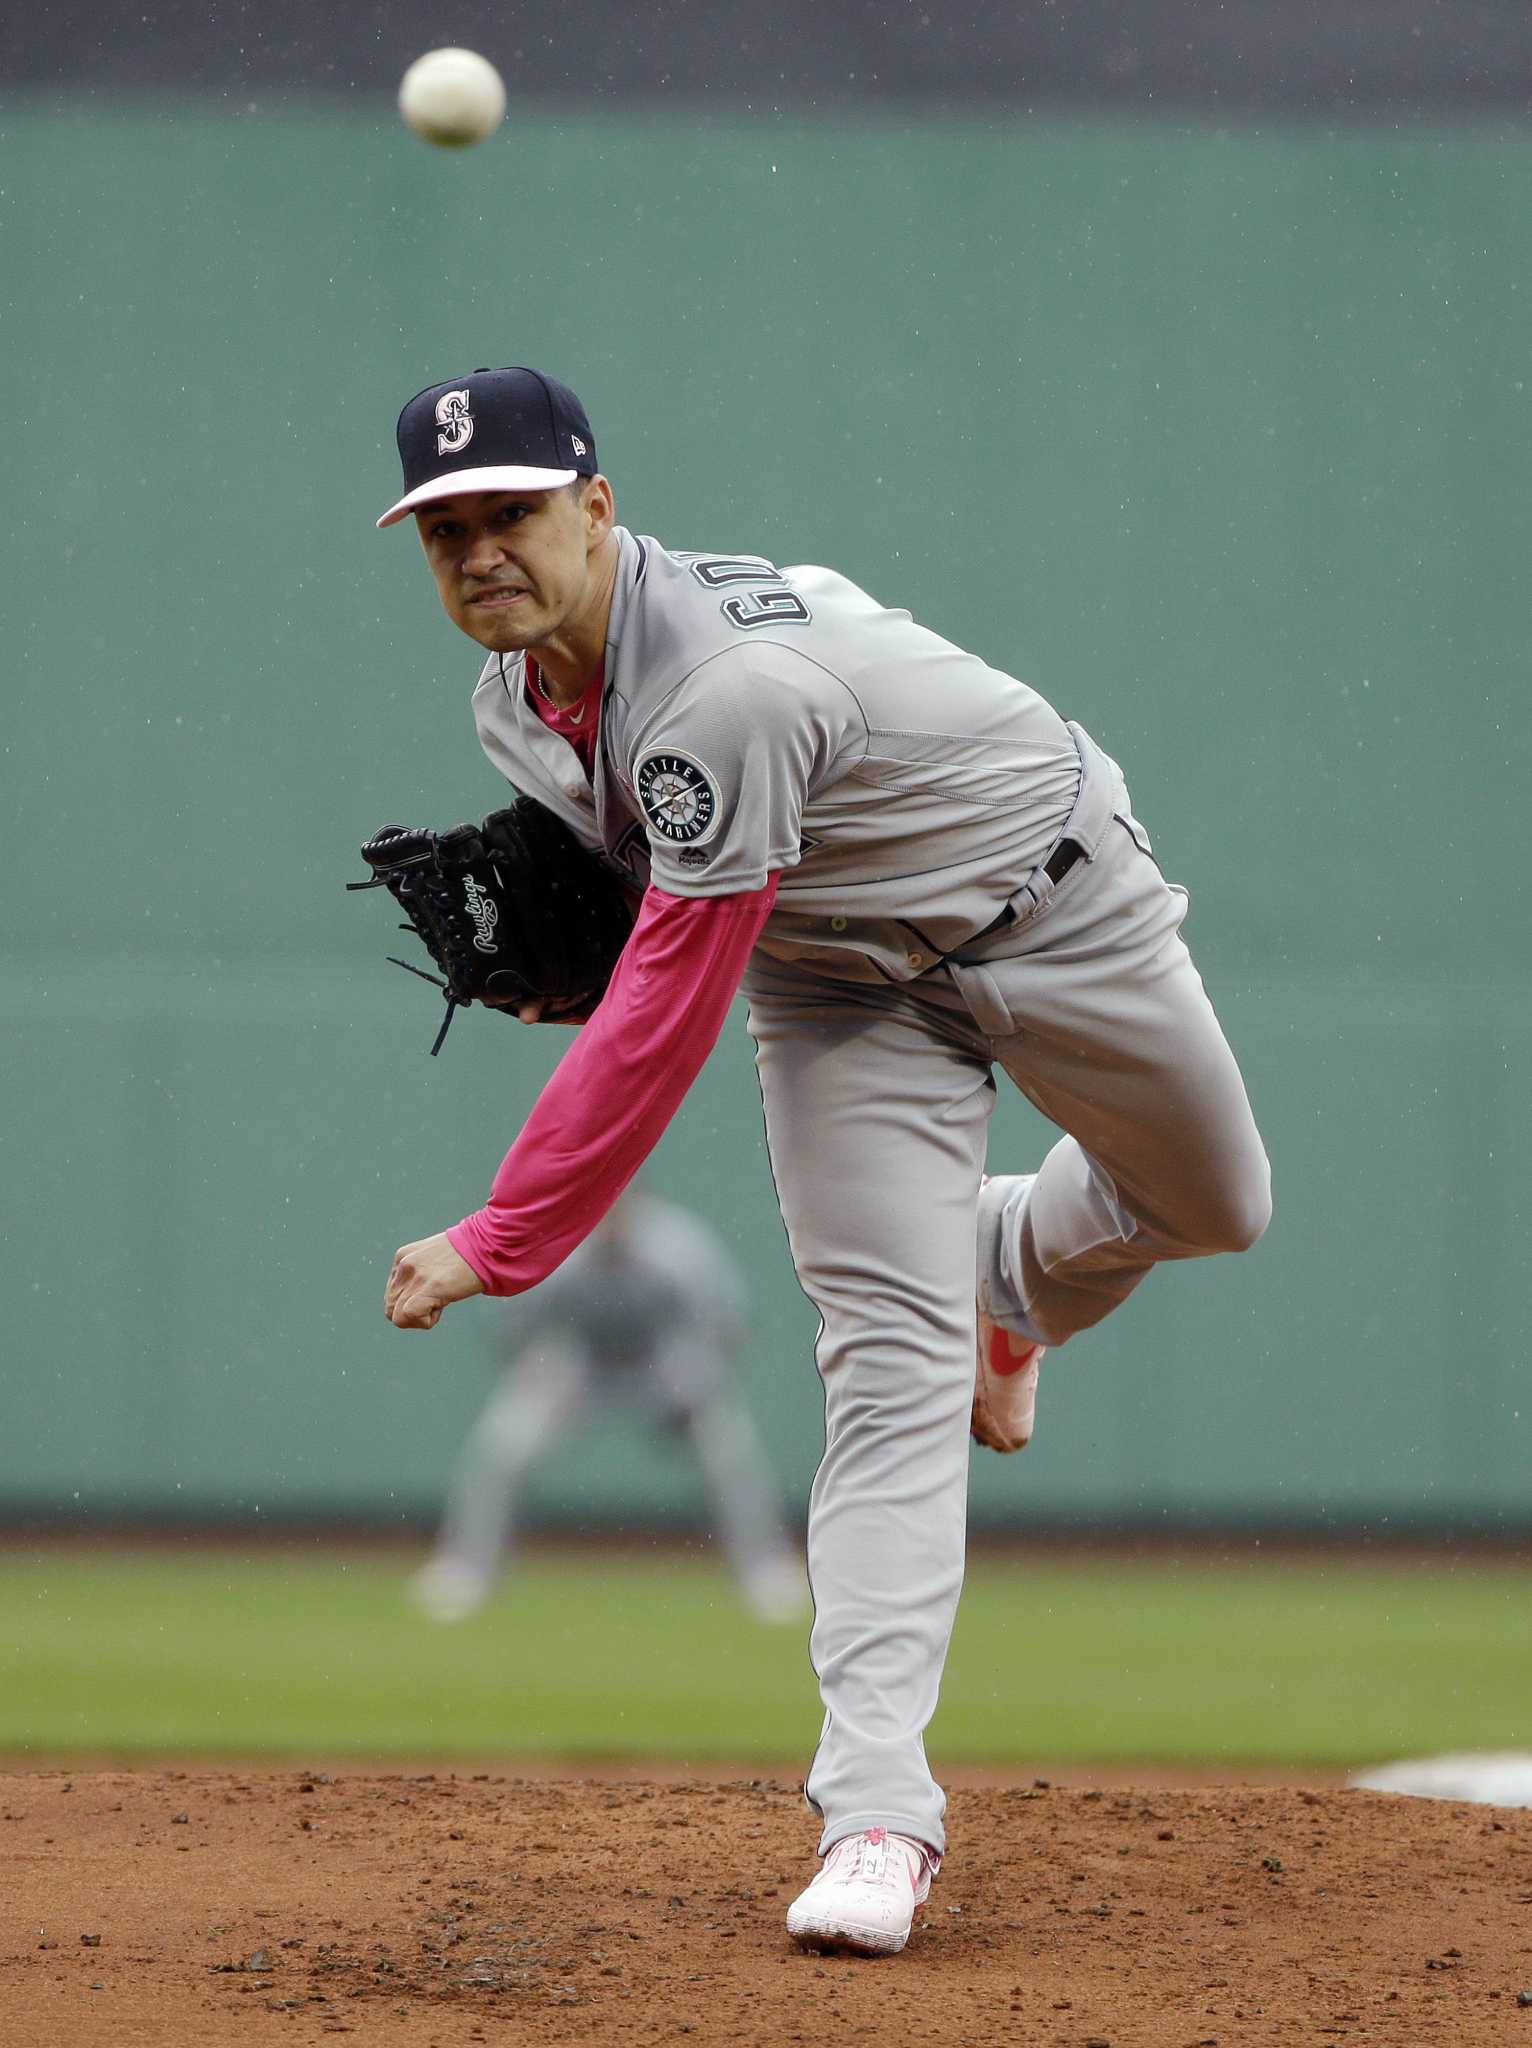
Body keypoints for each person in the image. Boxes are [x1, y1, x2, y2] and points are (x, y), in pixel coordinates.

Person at [375, 365, 1271, 1957]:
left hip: (1056, 905)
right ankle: (877, 1811)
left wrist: (505, 1233)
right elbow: (650, 920)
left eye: (509, 510)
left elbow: (658, 1010)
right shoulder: (515, 709)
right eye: (444, 529)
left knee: (1214, 1208)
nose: (479, 551)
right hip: (840, 980)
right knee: (886, 1368)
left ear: (597, 506)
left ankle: (1005, 1272)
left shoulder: (725, 687)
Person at [409, 1187, 806, 1626]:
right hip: (580, 1366)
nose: (611, 1215)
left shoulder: (677, 1245)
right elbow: (513, 1322)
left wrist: (700, 1374)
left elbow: (725, 1320)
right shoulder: (562, 1242)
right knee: (503, 1446)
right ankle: (465, 1570)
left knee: (729, 1451)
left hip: (661, 1365)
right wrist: (535, 1367)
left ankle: (765, 1570)